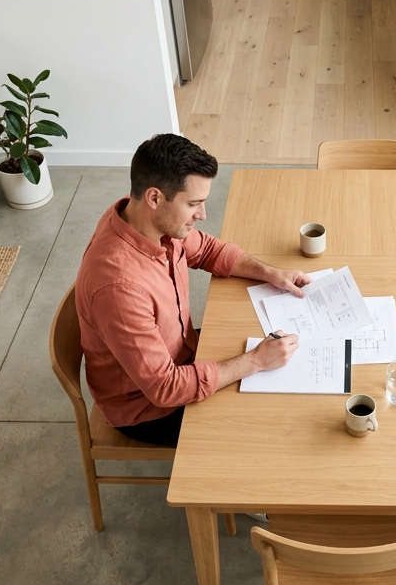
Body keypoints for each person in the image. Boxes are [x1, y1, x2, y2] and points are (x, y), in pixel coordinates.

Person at [76, 133, 305, 447]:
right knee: (267, 430)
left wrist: (271, 274)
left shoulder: (143, 219)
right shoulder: (119, 288)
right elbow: (165, 388)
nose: (203, 214)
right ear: (155, 197)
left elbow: (208, 251)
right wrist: (255, 361)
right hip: (147, 407)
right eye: (193, 203)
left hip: (183, 349)